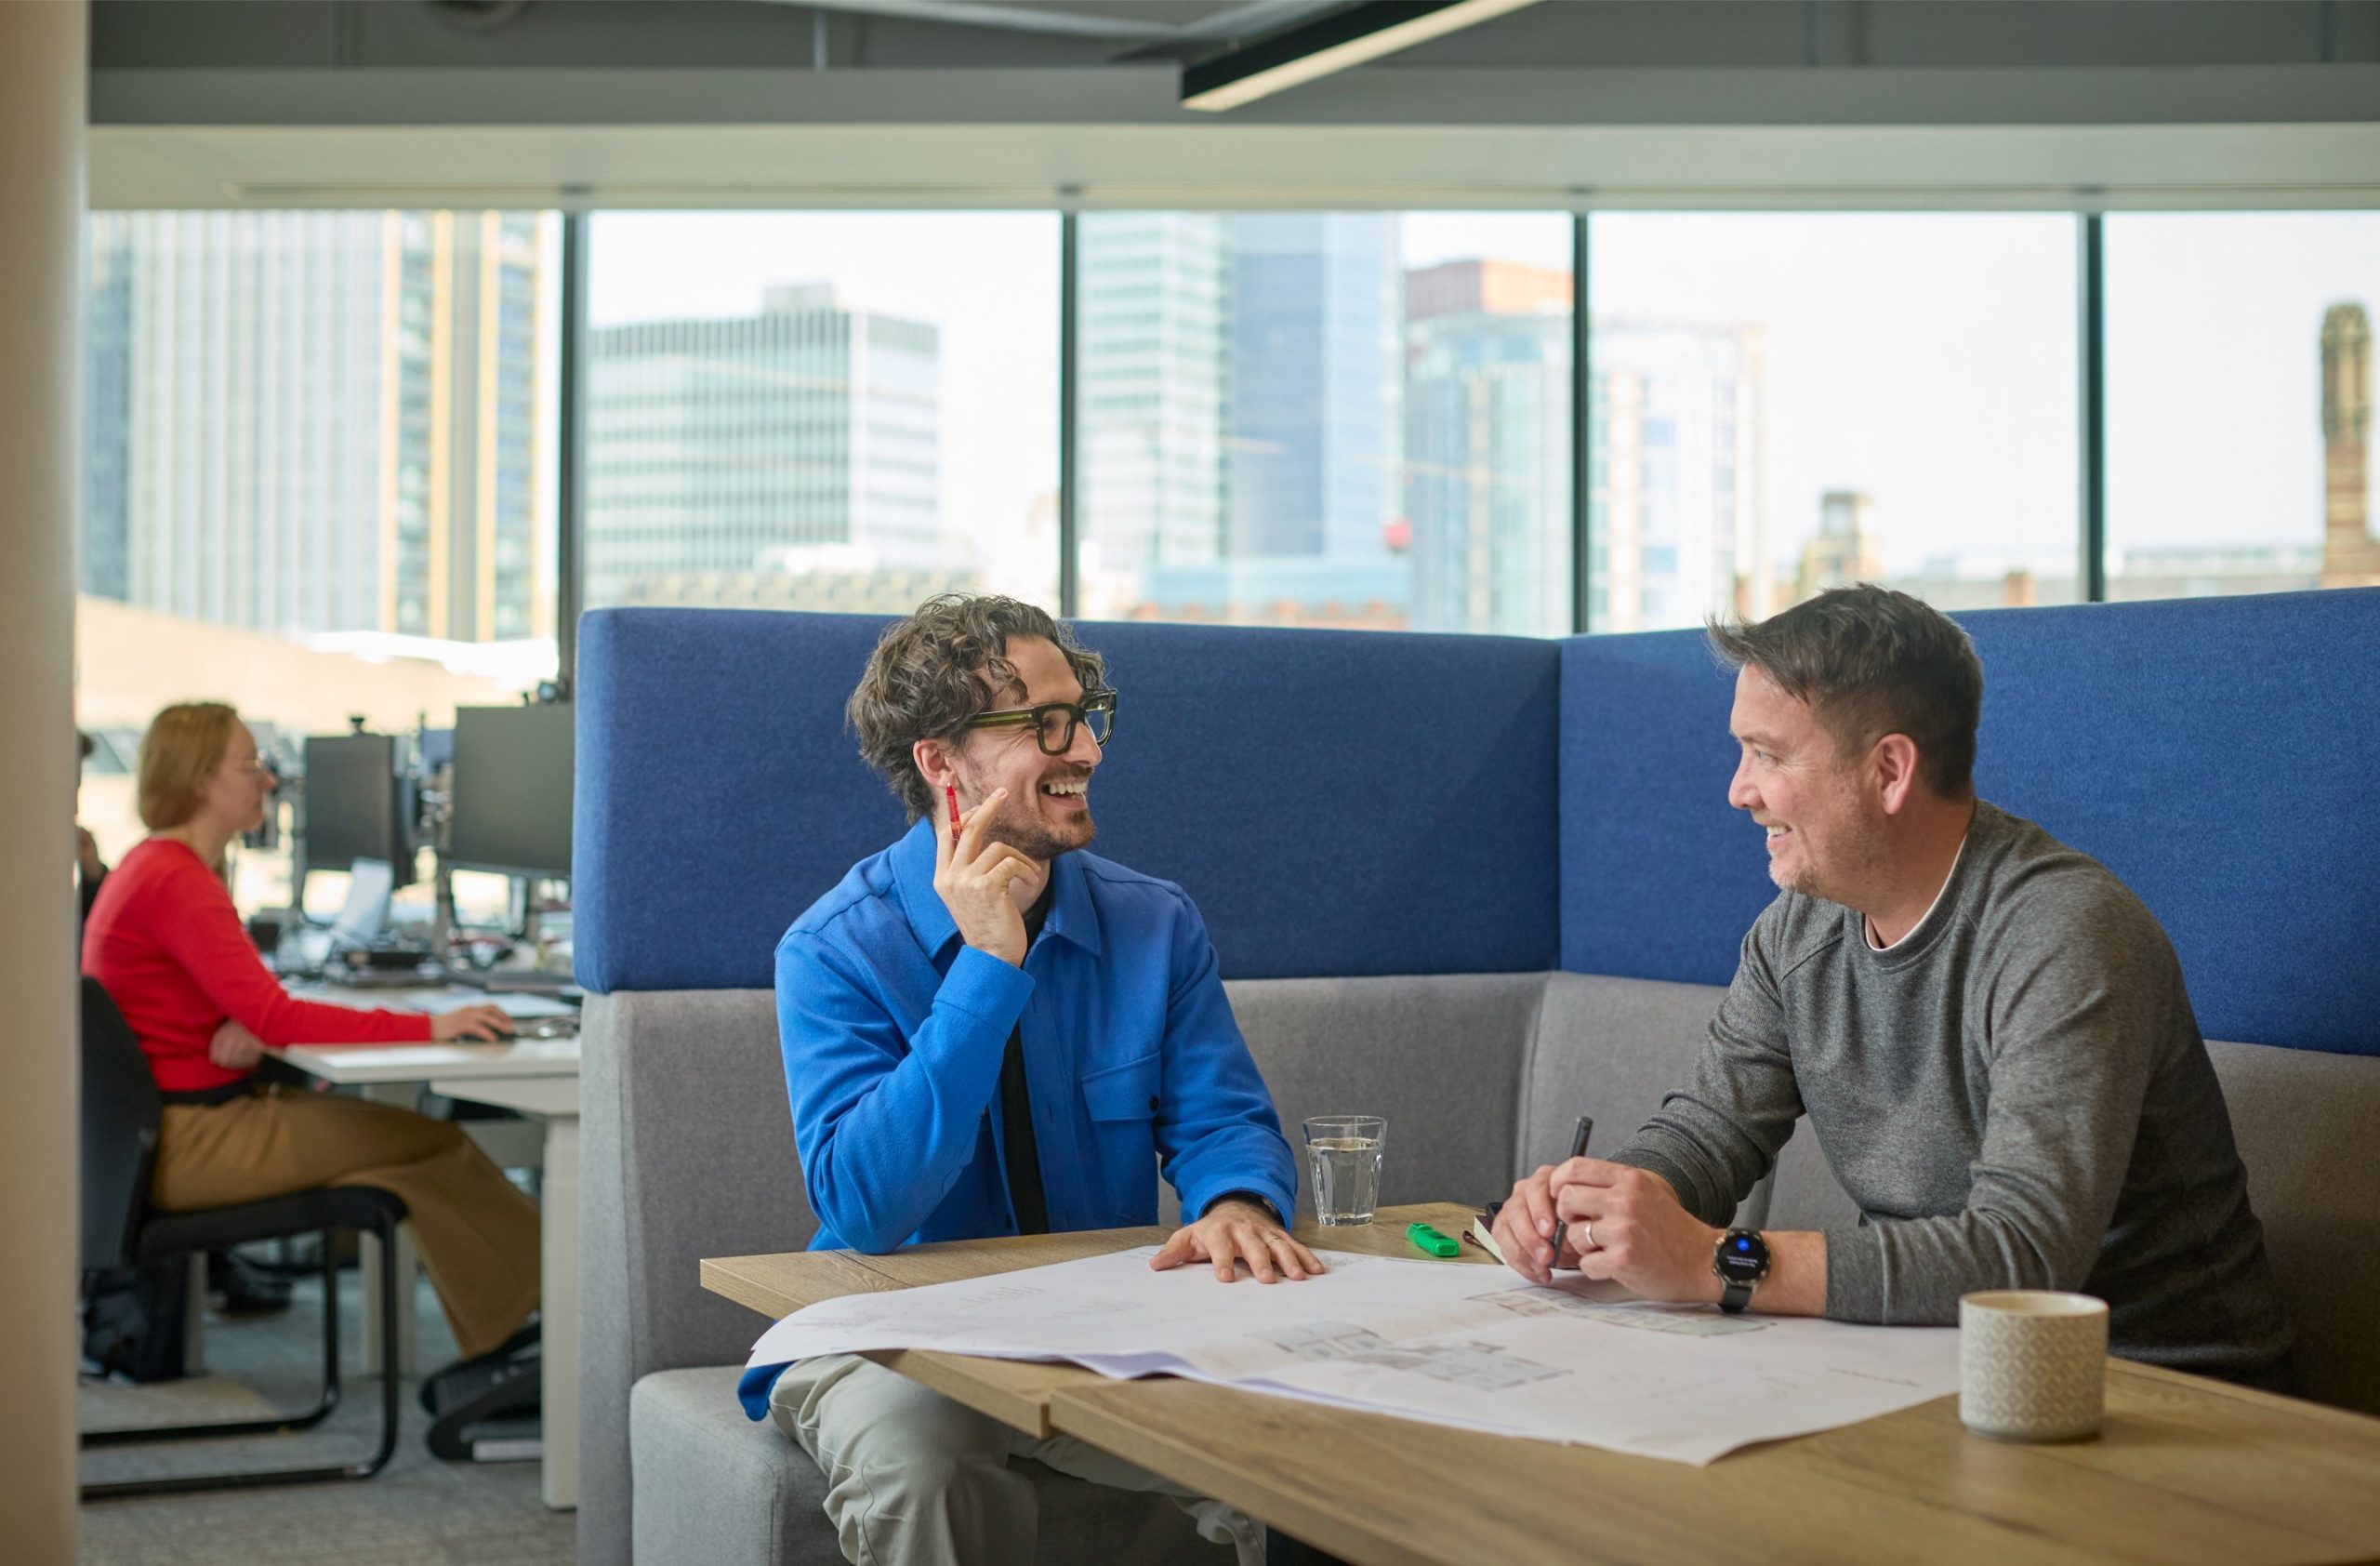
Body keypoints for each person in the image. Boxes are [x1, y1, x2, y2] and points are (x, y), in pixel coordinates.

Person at [1493, 585, 2294, 1388]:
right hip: (1923, 1365)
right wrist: (1610, 1209)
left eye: (1769, 755)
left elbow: (2023, 1257)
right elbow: (1709, 1133)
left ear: (1888, 770)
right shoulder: (1797, 930)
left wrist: (1716, 1261)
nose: (1739, 790)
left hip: (2157, 1391)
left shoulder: (2065, 934)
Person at [754, 593, 1314, 1566]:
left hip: (1104, 1323)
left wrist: (1234, 1200)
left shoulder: (1154, 922)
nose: (1085, 750)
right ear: (941, 763)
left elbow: (1223, 1116)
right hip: (891, 1331)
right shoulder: (834, 949)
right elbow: (864, 1204)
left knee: (1309, 1442)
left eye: (1084, 714)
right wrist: (986, 969)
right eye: (1040, 725)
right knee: (921, 1465)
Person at [81, 700, 539, 1363]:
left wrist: (240, 1015)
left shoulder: (155, 868)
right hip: (192, 1143)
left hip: (161, 1136)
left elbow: (244, 1006)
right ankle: (544, 1338)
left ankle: (509, 1340)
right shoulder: (178, 881)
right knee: (435, 1146)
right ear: (205, 779)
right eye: (252, 766)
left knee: (405, 1148)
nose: (268, 781)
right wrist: (435, 1024)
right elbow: (280, 1017)